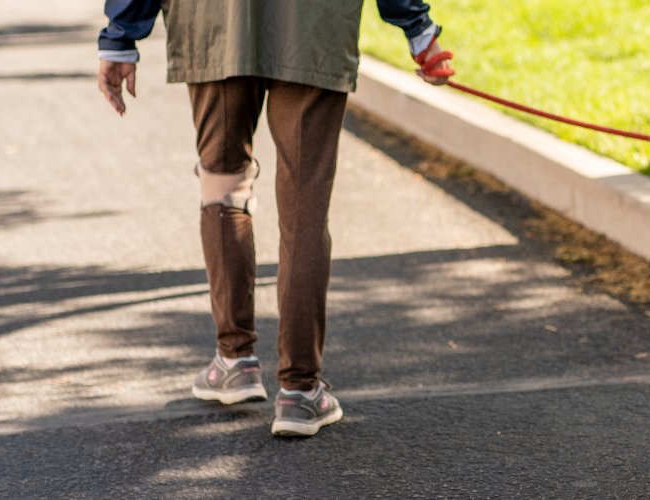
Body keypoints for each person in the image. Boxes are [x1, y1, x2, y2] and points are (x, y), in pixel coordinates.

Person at [95, 0, 454, 437]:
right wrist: (418, 30)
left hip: (214, 22)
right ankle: (300, 392)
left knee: (222, 185)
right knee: (305, 204)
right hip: (310, 25)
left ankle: (234, 360)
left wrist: (120, 37)